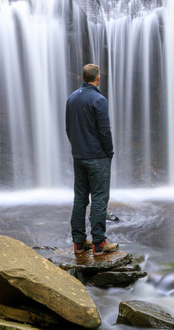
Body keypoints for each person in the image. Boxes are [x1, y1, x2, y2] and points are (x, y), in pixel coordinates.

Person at [66, 63, 119, 256]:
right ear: (97, 78)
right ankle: (99, 244)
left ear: (82, 78)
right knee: (99, 199)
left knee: (80, 198)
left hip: (79, 156)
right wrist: (109, 152)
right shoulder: (99, 99)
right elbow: (104, 131)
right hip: (97, 157)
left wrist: (77, 148)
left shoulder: (71, 98)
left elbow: (68, 128)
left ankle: (78, 243)